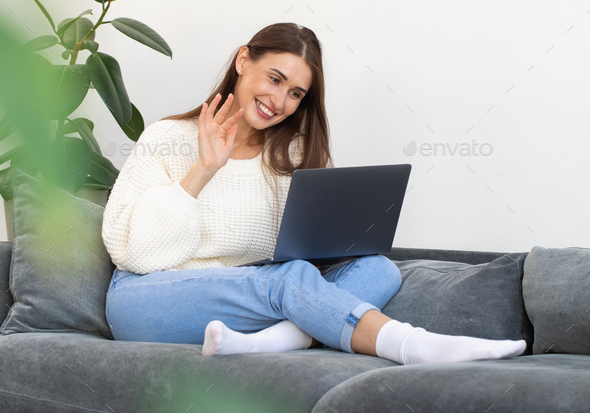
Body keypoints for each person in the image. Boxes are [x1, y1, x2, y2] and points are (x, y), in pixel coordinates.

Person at [102, 23, 526, 365]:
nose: (278, 100)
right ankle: (411, 345)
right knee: (285, 283)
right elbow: (135, 255)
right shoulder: (168, 138)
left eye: (295, 93)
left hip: (247, 302)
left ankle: (274, 340)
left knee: (380, 270)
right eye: (274, 78)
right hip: (149, 301)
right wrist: (203, 171)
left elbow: (303, 259)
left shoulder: (294, 157)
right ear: (243, 59)